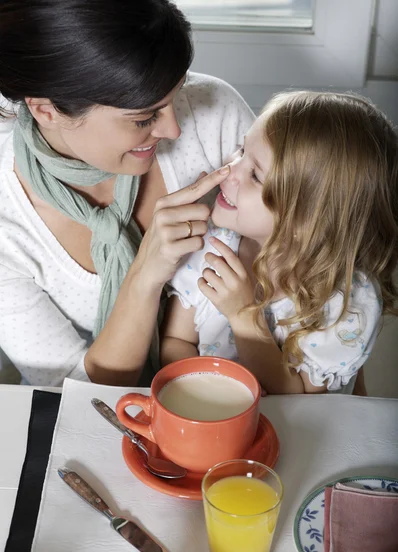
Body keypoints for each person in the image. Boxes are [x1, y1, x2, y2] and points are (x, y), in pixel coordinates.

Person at [0, 0, 254, 387]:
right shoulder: (7, 219)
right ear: (46, 110)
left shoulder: (214, 113)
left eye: (176, 94)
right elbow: (72, 391)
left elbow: (313, 256)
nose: (173, 129)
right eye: (144, 117)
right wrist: (144, 275)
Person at [161, 91, 398, 394]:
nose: (229, 170)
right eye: (240, 151)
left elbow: (300, 402)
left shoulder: (347, 305)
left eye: (255, 175)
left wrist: (245, 316)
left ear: (308, 220)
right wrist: (201, 398)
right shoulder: (211, 247)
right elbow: (176, 341)